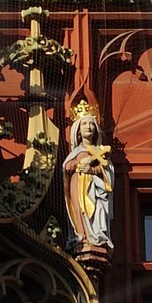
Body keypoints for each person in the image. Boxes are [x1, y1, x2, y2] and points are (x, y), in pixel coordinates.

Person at [63, 98, 114, 250]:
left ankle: (96, 235)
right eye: (84, 124)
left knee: (96, 210)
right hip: (77, 185)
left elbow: (106, 170)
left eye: (92, 124)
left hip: (95, 187)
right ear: (78, 129)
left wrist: (92, 170)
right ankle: (81, 235)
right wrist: (78, 165)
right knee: (79, 209)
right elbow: (66, 168)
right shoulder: (76, 152)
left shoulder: (101, 151)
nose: (89, 127)